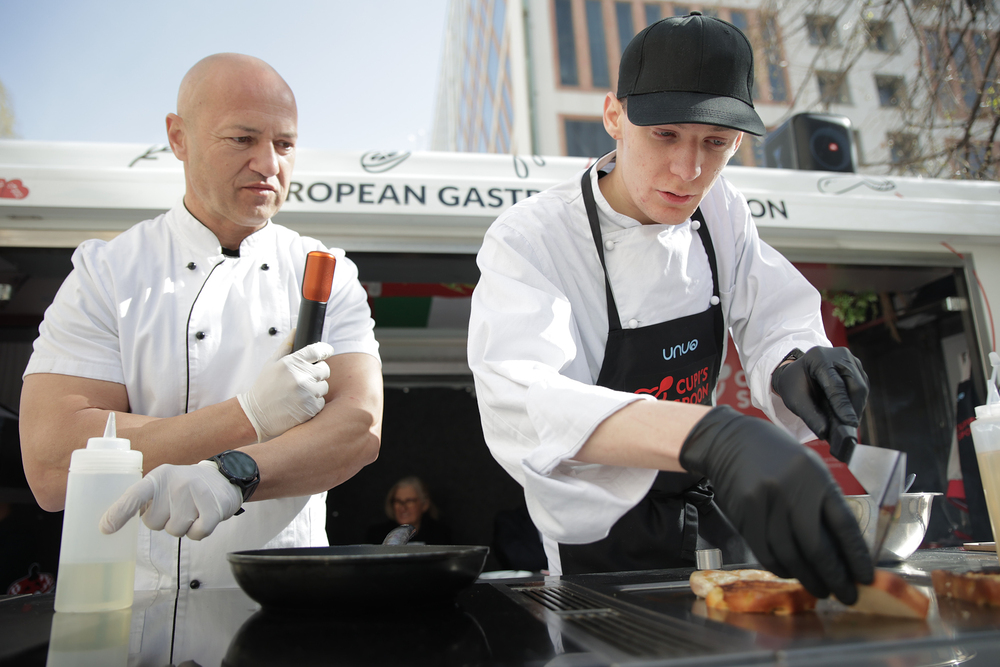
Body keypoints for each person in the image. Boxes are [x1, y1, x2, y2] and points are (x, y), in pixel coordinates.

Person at [467, 13, 873, 604]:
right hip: (599, 537)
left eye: (715, 143)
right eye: (665, 134)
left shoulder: (721, 209)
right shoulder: (532, 238)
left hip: (709, 513)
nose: (689, 171)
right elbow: (524, 397)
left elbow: (773, 313)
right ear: (614, 116)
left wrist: (798, 362)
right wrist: (713, 435)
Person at [18, 53, 383, 590]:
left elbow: (358, 429)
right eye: (242, 139)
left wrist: (234, 474)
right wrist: (249, 415)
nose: (268, 163)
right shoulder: (108, 271)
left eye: (284, 144)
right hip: (129, 605)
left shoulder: (324, 272)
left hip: (282, 601)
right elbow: (52, 464)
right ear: (178, 137)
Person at [366, 476, 452, 545]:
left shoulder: (441, 535)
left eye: (409, 501)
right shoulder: (376, 536)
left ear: (424, 504)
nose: (403, 507)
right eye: (398, 501)